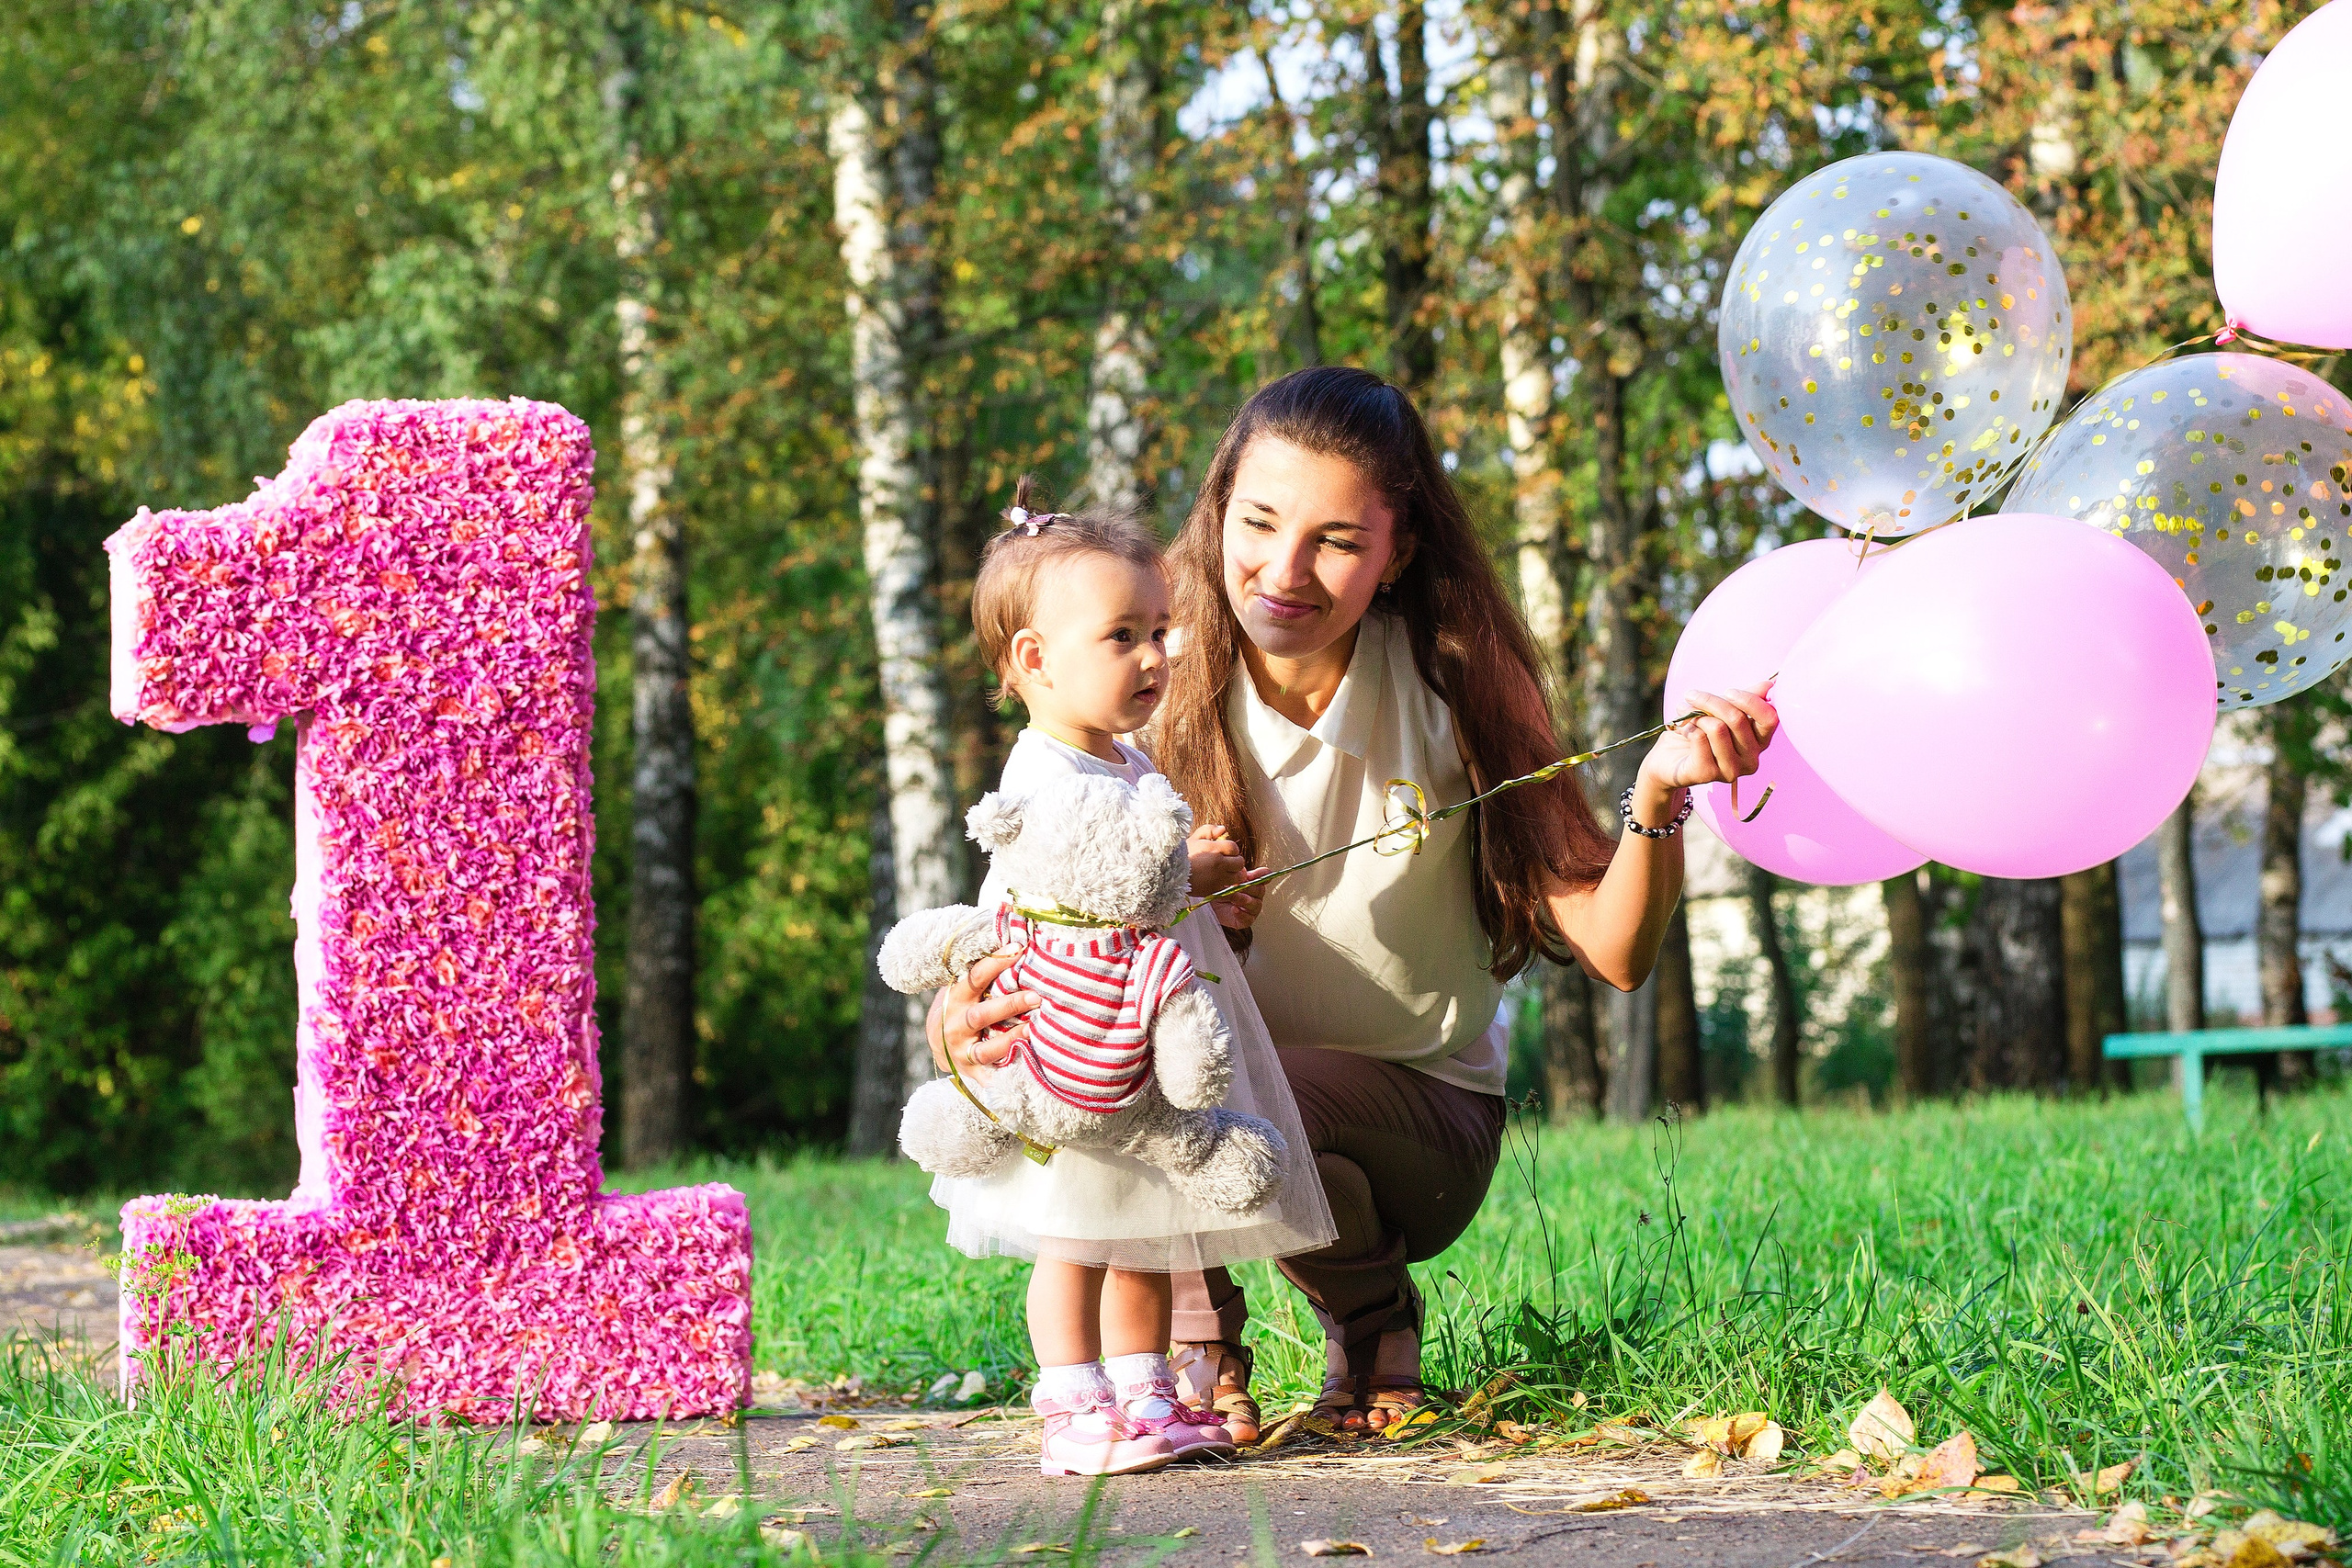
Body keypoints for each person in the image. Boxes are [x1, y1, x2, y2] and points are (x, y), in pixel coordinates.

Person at [933, 368, 1776, 1441]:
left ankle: (1358, 1327)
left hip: (1415, 1125)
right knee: (1155, 1070)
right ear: (1217, 513)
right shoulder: (1138, 676)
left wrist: (1656, 797)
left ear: (1398, 553)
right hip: (1208, 1104)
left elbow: (1613, 947)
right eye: (1259, 524)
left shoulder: (1453, 681)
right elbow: (1036, 906)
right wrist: (957, 1018)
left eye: (1335, 540)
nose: (1284, 573)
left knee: (1231, 1077)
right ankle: (1180, 1360)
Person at [923, 480, 1337, 1478]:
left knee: (1148, 1235)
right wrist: (1180, 872)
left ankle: (1145, 1390)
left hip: (1136, 1041)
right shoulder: (1041, 774)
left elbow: (1138, 882)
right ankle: (1072, 1402)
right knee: (1075, 1235)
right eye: (1123, 636)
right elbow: (1093, 889)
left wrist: (1200, 895)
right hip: (1072, 1051)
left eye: (1160, 630)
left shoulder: (1119, 755)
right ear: (1034, 661)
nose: (1156, 655)